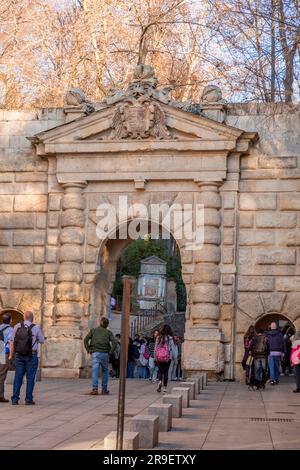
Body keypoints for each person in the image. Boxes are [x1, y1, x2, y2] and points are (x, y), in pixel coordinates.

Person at [9, 311, 44, 405]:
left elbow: (12, 341)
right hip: (31, 355)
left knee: (18, 377)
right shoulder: (36, 327)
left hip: (19, 355)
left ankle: (15, 399)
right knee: (30, 378)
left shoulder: (17, 326)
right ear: (32, 318)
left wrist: (11, 355)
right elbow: (42, 340)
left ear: (24, 317)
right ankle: (28, 399)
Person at [84, 317, 116, 395]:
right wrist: (110, 352)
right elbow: (114, 342)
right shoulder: (108, 332)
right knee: (105, 371)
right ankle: (104, 389)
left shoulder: (93, 331)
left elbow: (85, 339)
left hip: (95, 353)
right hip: (105, 354)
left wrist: (88, 349)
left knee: (95, 371)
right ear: (107, 324)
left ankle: (95, 389)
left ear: (100, 323)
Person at [154, 324, 175, 393]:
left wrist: (155, 356)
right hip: (167, 357)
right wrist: (175, 357)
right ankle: (164, 388)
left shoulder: (158, 337)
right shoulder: (170, 338)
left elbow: (155, 348)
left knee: (160, 371)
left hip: (159, 356)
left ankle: (160, 381)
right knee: (166, 372)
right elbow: (173, 349)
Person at [0, 313, 14, 403]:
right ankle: (0, 396)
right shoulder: (10, 329)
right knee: (1, 375)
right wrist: (11, 355)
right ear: (10, 320)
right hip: (3, 353)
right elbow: (11, 343)